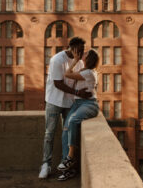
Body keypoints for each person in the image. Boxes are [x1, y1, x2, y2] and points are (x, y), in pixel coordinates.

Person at [38, 37, 92, 179]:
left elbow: (80, 81)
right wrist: (76, 93)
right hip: (54, 101)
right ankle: (46, 165)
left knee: (68, 134)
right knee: (49, 134)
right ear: (71, 48)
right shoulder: (57, 60)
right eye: (79, 50)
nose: (80, 53)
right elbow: (58, 83)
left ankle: (65, 165)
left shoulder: (79, 62)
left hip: (69, 103)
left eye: (82, 50)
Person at [57, 49, 100, 181]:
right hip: (78, 104)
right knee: (65, 131)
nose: (83, 54)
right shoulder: (85, 71)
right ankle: (68, 169)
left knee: (73, 121)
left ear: (89, 59)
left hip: (89, 104)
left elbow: (67, 74)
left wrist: (75, 60)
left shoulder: (88, 73)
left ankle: (70, 158)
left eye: (85, 54)